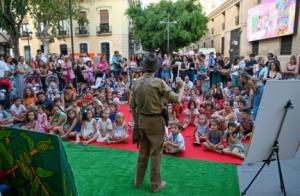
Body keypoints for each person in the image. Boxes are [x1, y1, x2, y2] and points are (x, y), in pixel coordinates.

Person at [130, 53, 184, 192]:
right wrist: (182, 86)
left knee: (143, 152)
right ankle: (155, 185)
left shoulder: (136, 82)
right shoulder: (159, 82)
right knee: (155, 154)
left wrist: (136, 124)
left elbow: (132, 106)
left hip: (141, 120)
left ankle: (138, 181)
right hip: (155, 121)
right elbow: (177, 99)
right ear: (155, 68)